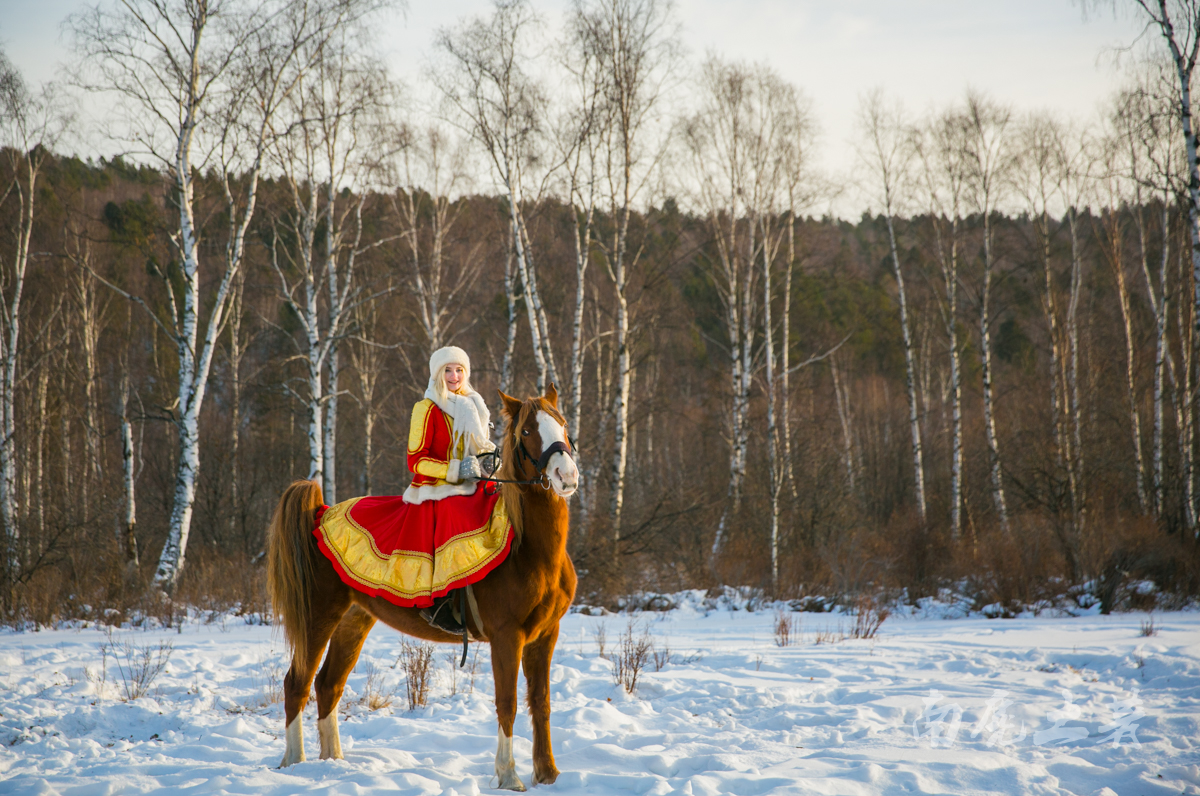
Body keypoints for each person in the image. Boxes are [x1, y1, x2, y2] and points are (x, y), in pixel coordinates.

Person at [407, 346, 497, 633]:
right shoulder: (427, 408)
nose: (454, 376)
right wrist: (456, 470)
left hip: (470, 482)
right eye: (448, 370)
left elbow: (478, 447)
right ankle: (441, 600)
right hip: (435, 487)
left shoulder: (473, 406)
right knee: (454, 512)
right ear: (437, 373)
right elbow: (416, 460)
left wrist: (487, 461)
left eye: (459, 370)